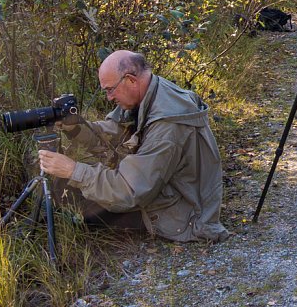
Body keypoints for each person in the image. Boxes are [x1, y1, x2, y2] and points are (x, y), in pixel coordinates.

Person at [37, 50, 229, 243]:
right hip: (168, 190)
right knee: (80, 187)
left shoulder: (166, 125)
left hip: (180, 213)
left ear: (130, 80)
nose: (109, 98)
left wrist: (72, 170)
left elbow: (129, 191)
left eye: (110, 89)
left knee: (79, 198)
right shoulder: (152, 91)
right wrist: (75, 129)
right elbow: (115, 133)